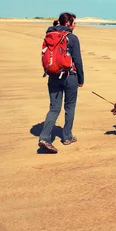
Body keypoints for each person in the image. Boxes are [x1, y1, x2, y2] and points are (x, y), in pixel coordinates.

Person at [38, 12, 85, 153]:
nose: (75, 25)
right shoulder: (72, 38)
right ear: (68, 23)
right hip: (70, 76)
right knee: (69, 107)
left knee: (54, 108)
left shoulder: (49, 35)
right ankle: (67, 137)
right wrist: (81, 79)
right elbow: (78, 61)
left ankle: (44, 137)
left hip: (53, 75)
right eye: (74, 22)